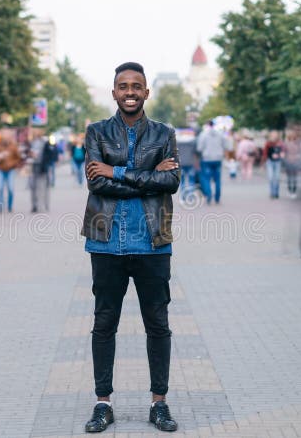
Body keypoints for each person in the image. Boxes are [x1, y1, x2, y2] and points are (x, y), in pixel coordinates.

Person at [81, 62, 180, 433]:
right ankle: (102, 403)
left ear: (146, 92)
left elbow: (170, 181)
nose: (130, 91)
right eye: (123, 86)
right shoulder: (96, 132)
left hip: (152, 243)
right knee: (104, 323)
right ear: (114, 92)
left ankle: (159, 404)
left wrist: (116, 171)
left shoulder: (165, 133)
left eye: (136, 86)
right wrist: (148, 178)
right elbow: (97, 186)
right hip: (106, 241)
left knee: (158, 325)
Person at [196, 120, 229, 205]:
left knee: (206, 178)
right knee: (217, 179)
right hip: (218, 158)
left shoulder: (203, 134)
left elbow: (199, 148)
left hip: (206, 159)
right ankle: (217, 197)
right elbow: (226, 146)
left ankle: (209, 194)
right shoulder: (220, 134)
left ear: (207, 125)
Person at [0, 136, 22, 213]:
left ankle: (10, 206)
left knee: (11, 189)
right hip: (0, 170)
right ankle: (0, 206)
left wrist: (13, 164)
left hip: (10, 170)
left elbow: (18, 158)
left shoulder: (13, 147)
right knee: (0, 188)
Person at [29, 135, 54, 213]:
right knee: (33, 187)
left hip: (43, 168)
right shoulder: (30, 142)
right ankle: (35, 205)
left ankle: (44, 206)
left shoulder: (46, 142)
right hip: (33, 167)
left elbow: (52, 154)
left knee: (43, 188)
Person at [264, 132, 285, 199]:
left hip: (277, 162)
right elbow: (265, 153)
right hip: (270, 162)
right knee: (270, 177)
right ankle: (272, 193)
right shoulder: (268, 143)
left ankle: (276, 193)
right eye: (272, 135)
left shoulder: (280, 143)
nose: (274, 136)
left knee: (277, 178)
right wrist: (264, 162)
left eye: (275, 135)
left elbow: (283, 152)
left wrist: (280, 155)